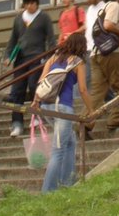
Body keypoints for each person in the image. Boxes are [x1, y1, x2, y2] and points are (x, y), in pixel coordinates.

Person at [33, 35, 93, 193]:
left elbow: (41, 81)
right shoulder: (78, 62)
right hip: (63, 108)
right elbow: (82, 89)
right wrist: (91, 109)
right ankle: (48, 191)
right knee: (58, 149)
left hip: (47, 106)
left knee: (70, 141)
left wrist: (35, 100)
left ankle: (68, 181)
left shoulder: (53, 58)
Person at [5, 0, 56, 138]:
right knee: (16, 92)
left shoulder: (44, 17)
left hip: (37, 57)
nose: (30, 6)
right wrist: (8, 56)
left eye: (32, 3)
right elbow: (13, 39)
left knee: (35, 86)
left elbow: (51, 39)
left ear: (37, 3)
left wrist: (51, 57)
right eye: (27, 4)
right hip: (21, 59)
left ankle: (36, 117)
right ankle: (16, 123)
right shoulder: (18, 19)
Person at [87, 0, 119, 132]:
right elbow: (107, 25)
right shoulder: (114, 5)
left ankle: (85, 124)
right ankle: (115, 119)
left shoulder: (101, 9)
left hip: (95, 54)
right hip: (110, 54)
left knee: (97, 94)